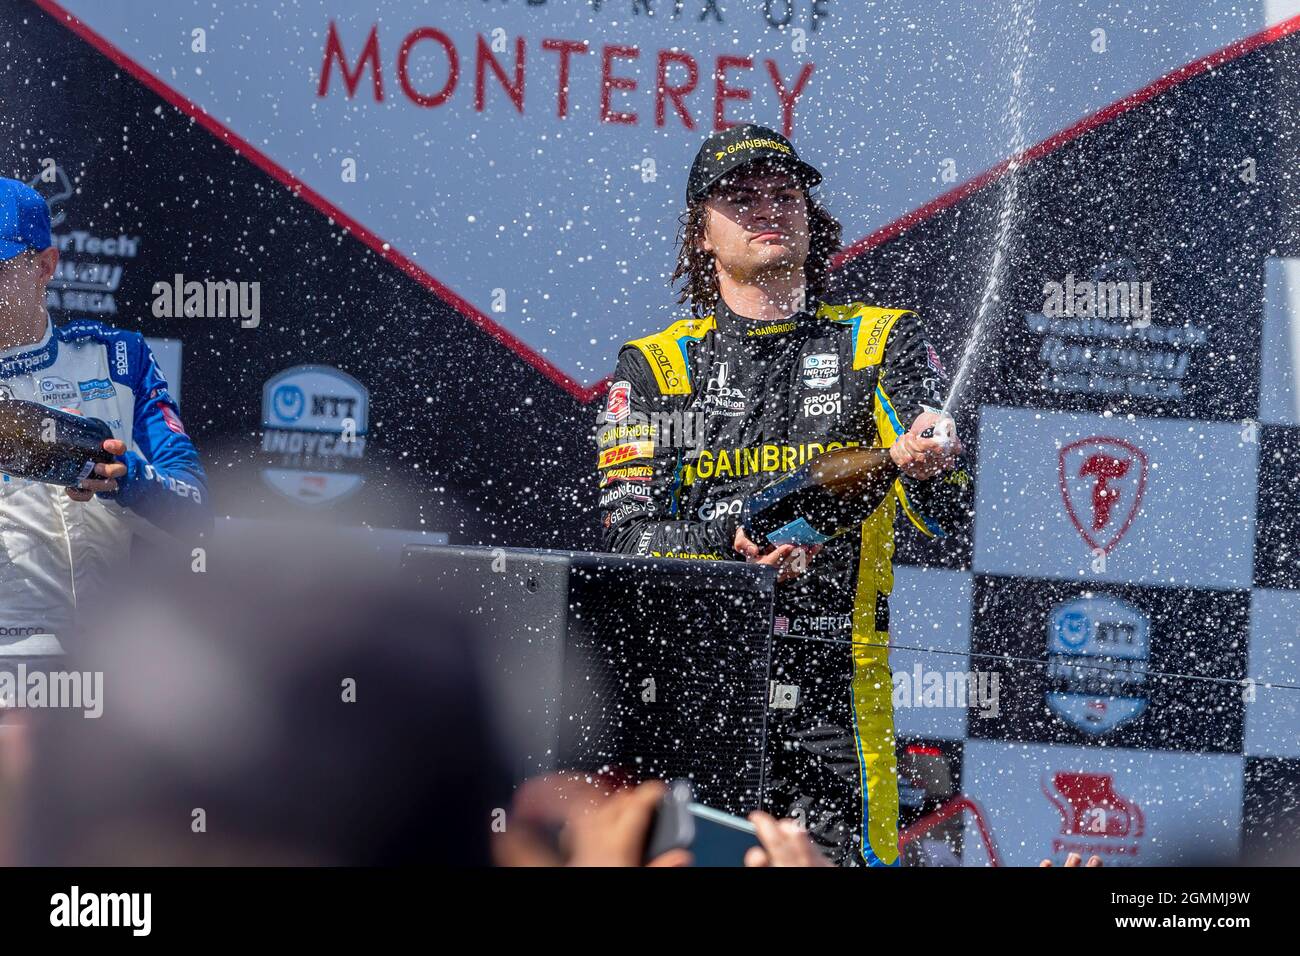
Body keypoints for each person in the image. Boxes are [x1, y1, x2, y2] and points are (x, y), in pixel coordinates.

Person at [596, 124, 972, 866]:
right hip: (693, 693)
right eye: (740, 197)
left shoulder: (879, 342)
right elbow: (626, 540)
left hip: (838, 691)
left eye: (784, 193)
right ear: (701, 233)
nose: (767, 208)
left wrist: (930, 461)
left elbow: (946, 517)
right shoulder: (656, 370)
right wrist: (728, 543)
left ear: (812, 217)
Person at [0, 177, 209, 645]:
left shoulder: (118, 359)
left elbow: (197, 517)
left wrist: (124, 478)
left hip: (110, 666)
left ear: (44, 266)